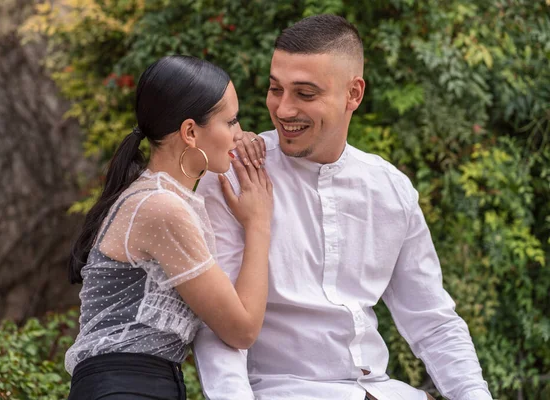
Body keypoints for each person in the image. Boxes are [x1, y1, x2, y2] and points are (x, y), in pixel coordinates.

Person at [193, 15, 494, 400]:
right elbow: (219, 328)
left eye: (305, 94)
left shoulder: (391, 190)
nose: (283, 109)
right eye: (275, 89)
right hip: (287, 392)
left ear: (354, 94)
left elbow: (432, 321)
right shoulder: (235, 177)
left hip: (385, 391)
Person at [64, 55, 273, 400]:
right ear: (190, 132)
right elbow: (242, 329)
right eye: (231, 121)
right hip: (126, 389)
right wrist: (259, 224)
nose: (239, 133)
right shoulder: (161, 208)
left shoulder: (158, 198)